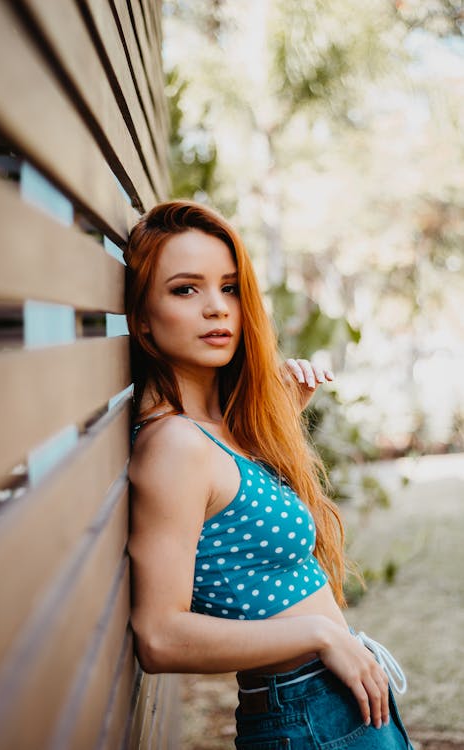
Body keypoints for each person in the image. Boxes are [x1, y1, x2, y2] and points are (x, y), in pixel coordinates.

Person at [123, 200, 413, 748]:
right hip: (305, 713)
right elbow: (159, 636)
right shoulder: (174, 447)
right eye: (186, 289)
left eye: (229, 288)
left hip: (334, 702)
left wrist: (279, 418)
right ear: (142, 318)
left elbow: (240, 527)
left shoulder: (212, 431)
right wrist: (322, 635)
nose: (217, 309)